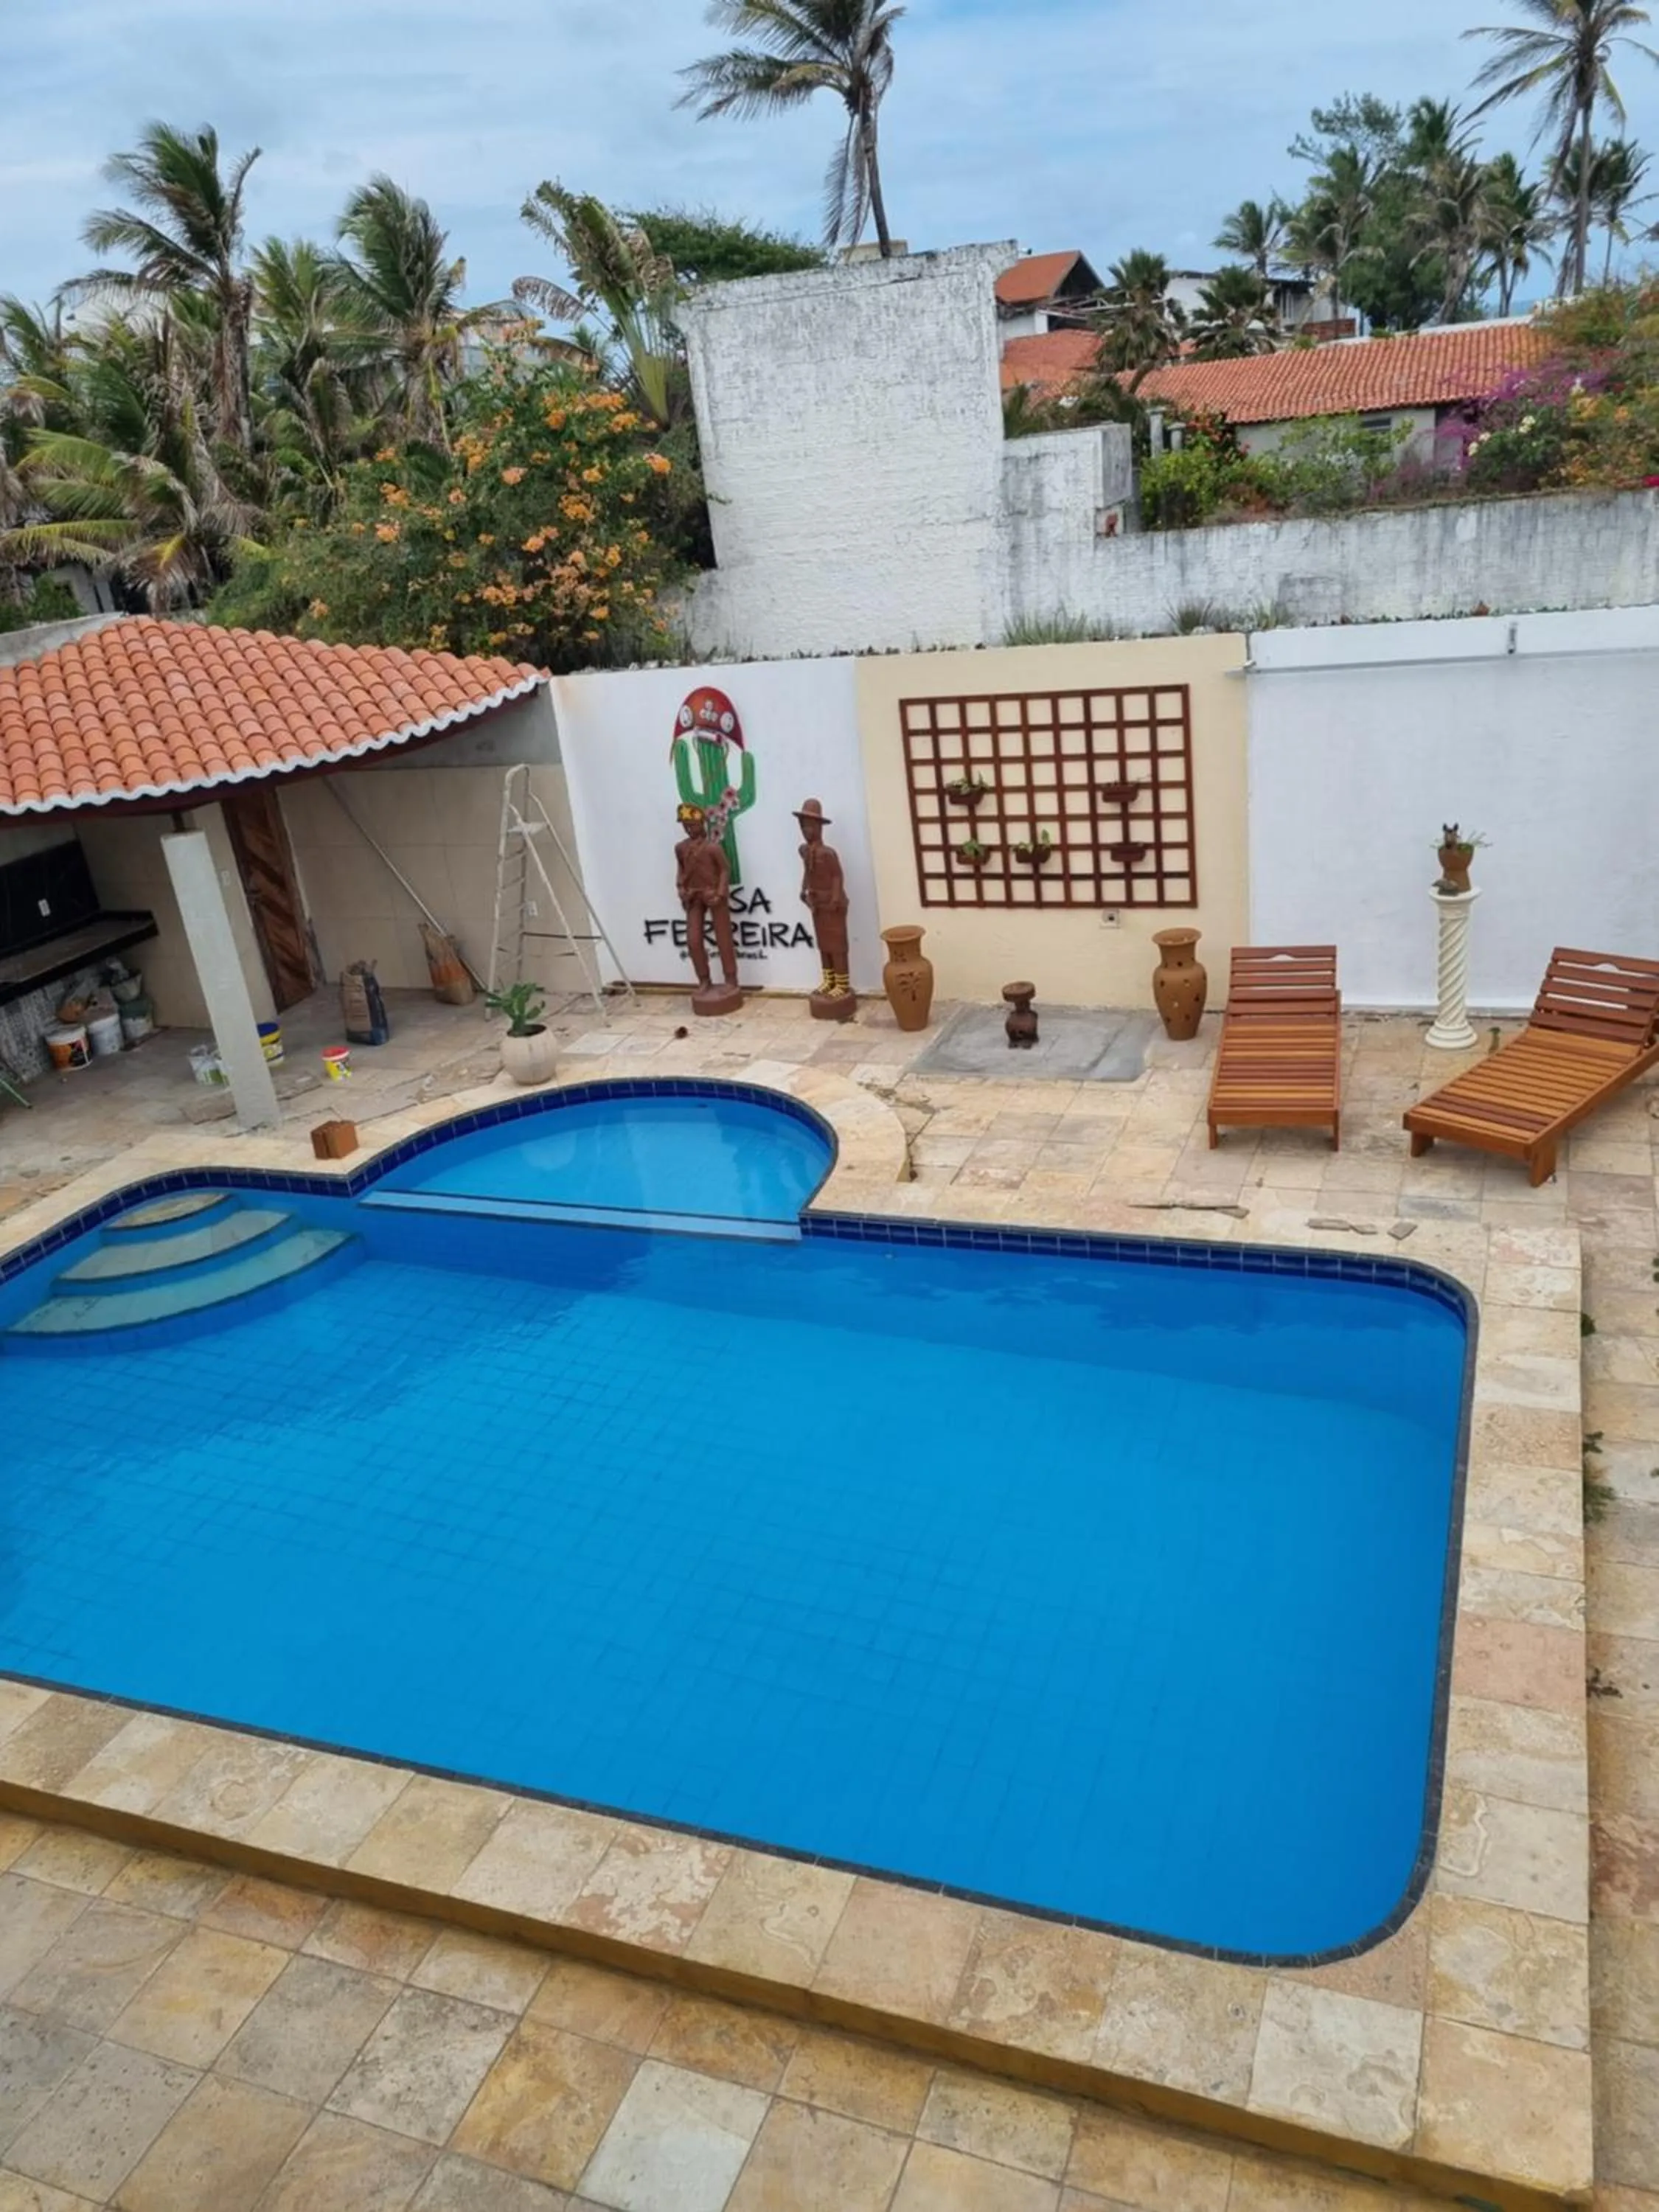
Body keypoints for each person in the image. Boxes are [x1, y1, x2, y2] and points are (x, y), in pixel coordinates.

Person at [675, 804, 742, 1013]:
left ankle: (730, 978)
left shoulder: (712, 848)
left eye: (693, 825)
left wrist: (721, 893)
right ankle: (704, 979)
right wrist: (681, 889)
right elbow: (681, 871)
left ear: (702, 824)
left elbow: (725, 870)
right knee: (694, 940)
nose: (689, 829)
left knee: (723, 938)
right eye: (686, 825)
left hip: (713, 894)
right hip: (694, 897)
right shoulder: (681, 848)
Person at [796, 799, 856, 1018]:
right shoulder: (806, 853)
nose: (806, 831)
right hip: (817, 903)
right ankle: (828, 979)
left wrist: (836, 898)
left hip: (832, 903)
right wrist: (803, 890)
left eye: (810, 826)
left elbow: (838, 875)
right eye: (803, 827)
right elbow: (808, 874)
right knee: (823, 945)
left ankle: (842, 981)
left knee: (837, 944)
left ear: (820, 827)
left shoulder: (828, 853)